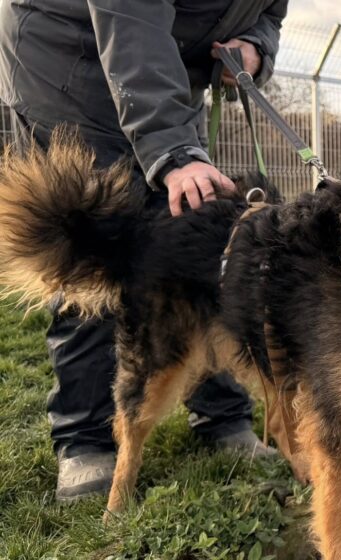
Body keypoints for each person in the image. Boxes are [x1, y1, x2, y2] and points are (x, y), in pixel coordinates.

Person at [0, 0, 288, 502]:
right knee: (98, 238)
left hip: (165, 70)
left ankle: (222, 418)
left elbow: (271, 14)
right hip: (71, 58)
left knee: (195, 239)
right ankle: (87, 439)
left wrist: (255, 48)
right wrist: (173, 150)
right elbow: (129, 14)